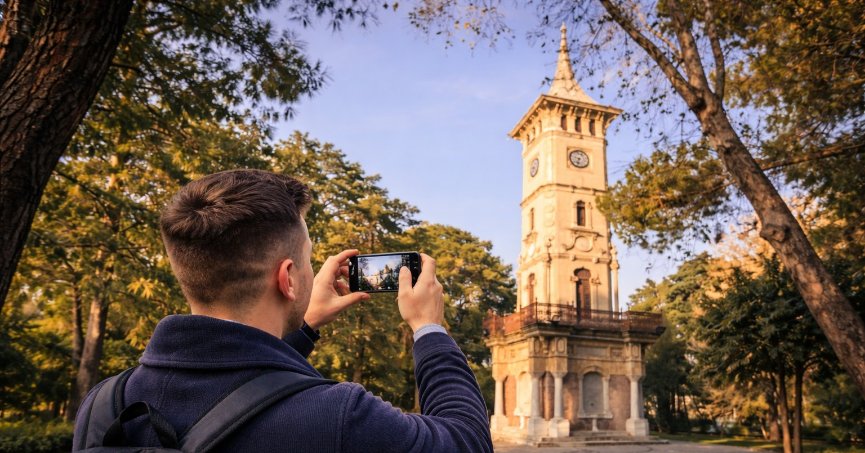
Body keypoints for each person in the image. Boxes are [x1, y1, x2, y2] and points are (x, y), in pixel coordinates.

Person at [71, 169, 493, 452]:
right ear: (288, 278)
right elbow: (467, 441)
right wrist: (428, 329)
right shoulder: (337, 416)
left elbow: (241, 386)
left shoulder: (105, 403)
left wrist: (306, 327)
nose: (312, 270)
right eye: (307, 259)